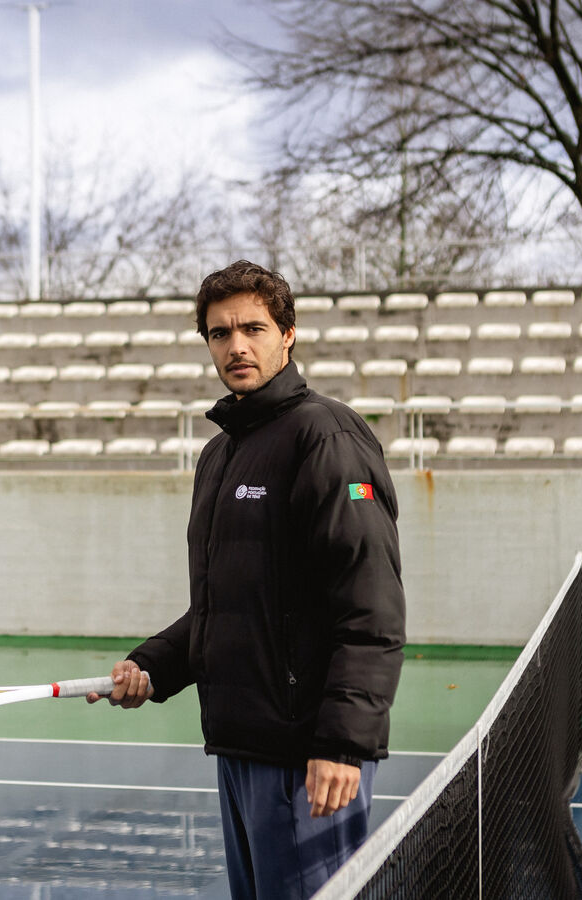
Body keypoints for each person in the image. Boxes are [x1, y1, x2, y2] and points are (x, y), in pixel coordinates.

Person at [89, 260, 406, 899]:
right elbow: (228, 603)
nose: (236, 345)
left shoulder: (326, 434)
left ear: (287, 334)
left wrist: (343, 743)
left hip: (308, 754)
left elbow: (370, 604)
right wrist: (150, 667)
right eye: (219, 332)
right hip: (239, 745)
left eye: (253, 328)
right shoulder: (221, 453)